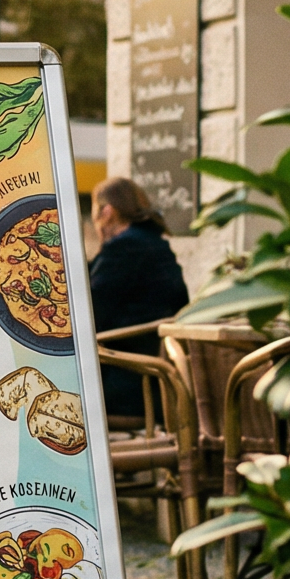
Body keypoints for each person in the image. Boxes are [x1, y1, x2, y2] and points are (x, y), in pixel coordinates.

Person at [87, 177, 188, 422]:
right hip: (157, 376)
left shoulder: (124, 249)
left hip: (127, 379)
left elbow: (89, 313)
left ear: (107, 212)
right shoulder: (155, 245)